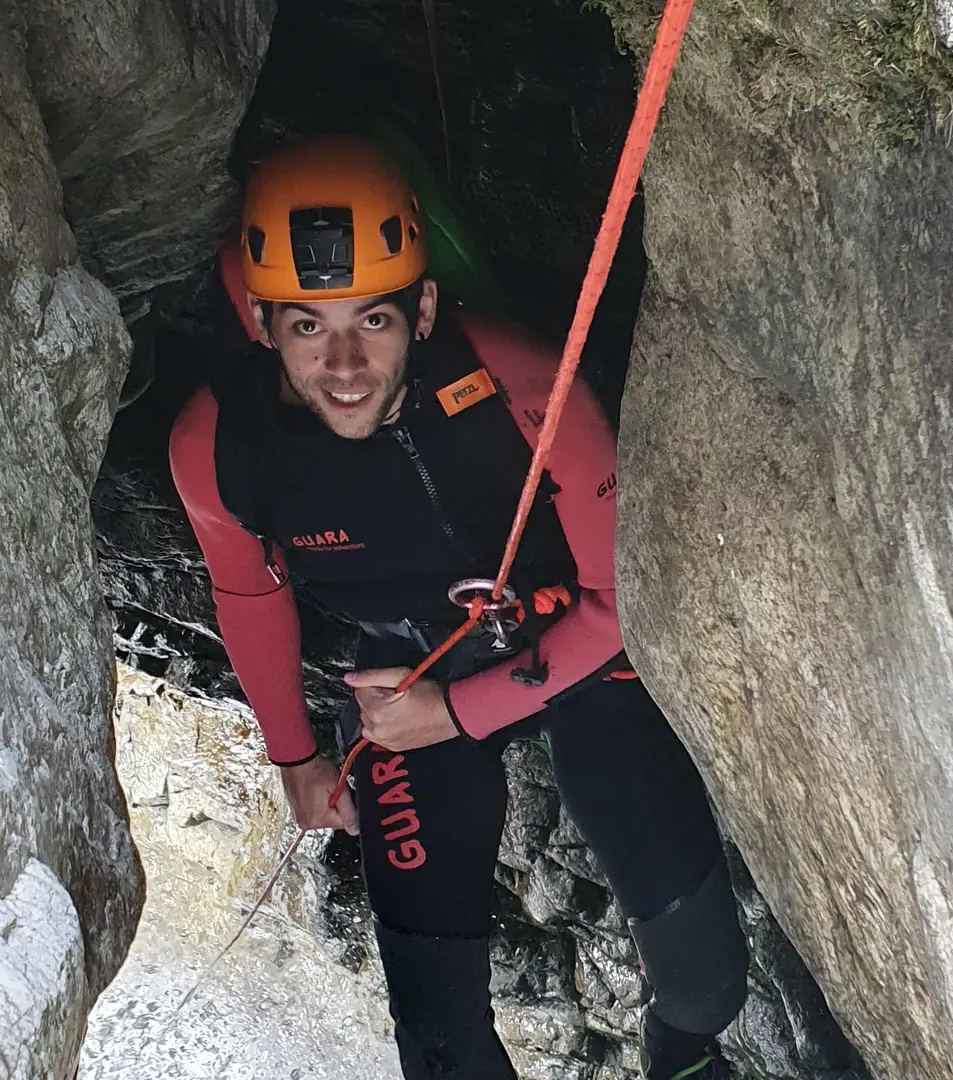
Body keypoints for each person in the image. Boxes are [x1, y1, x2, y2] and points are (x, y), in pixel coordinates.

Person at [169, 135, 747, 1080]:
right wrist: (295, 755)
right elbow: (249, 596)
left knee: (703, 989)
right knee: (438, 1047)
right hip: (410, 676)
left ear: (425, 308)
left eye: (375, 322)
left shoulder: (526, 391)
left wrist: (455, 713)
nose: (345, 364)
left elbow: (618, 607)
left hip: (575, 654)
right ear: (264, 323)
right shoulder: (221, 450)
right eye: (309, 327)